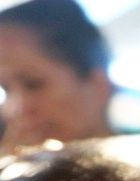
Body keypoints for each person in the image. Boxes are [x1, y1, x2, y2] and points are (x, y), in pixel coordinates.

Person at [0, 0, 112, 155]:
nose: (16, 109)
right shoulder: (16, 170)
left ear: (98, 86)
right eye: (5, 89)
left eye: (33, 84)